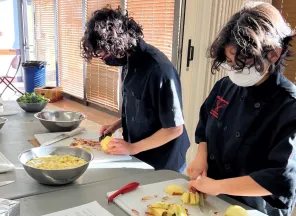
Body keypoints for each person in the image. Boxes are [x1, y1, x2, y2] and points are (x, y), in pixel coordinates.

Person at [187, 2, 296, 215]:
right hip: (213, 199)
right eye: (229, 61)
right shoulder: (225, 87)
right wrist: (201, 155)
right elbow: (206, 123)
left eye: (241, 62)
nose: (234, 70)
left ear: (274, 53)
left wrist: (218, 187)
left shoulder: (289, 107)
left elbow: (280, 177)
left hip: (255, 207)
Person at [81, 6, 190, 172]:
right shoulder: (128, 60)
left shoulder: (160, 71)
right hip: (140, 153)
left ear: (117, 43)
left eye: (103, 55)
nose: (103, 60)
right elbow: (140, 107)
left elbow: (174, 129)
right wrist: (116, 125)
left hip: (164, 161)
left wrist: (132, 148)